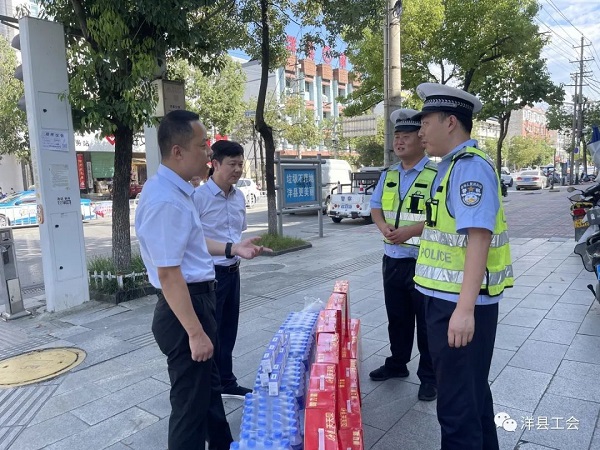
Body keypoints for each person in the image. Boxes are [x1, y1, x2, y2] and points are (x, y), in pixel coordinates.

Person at [135, 110, 269, 450]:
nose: (208, 153)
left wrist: (232, 248)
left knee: (208, 391)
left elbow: (192, 246)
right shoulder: (167, 200)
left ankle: (223, 444)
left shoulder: (175, 192)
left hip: (197, 299)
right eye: (202, 145)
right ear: (178, 151)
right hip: (186, 307)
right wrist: (195, 333)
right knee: (189, 407)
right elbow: (168, 273)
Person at [412, 83, 513, 450]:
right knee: (472, 398)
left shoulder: (470, 168)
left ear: (450, 122)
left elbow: (479, 238)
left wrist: (464, 310)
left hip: (458, 304)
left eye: (426, 123)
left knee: (456, 410)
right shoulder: (450, 166)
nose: (420, 132)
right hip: (446, 299)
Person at [368, 109, 437, 402]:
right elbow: (376, 207)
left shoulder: (436, 174)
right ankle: (397, 363)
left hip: (424, 260)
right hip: (393, 259)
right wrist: (383, 226)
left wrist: (410, 231)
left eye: (406, 136)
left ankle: (430, 377)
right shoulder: (389, 174)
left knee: (426, 323)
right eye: (396, 136)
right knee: (397, 318)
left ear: (421, 140)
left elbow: (441, 217)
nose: (399, 142)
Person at [194, 140, 251, 399]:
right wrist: (230, 248)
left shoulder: (239, 197)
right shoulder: (198, 198)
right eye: (232, 164)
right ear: (215, 164)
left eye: (240, 164)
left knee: (228, 330)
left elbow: (238, 232)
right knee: (210, 334)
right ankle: (210, 386)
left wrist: (240, 250)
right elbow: (193, 242)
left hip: (233, 272)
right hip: (210, 275)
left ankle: (226, 381)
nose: (237, 169)